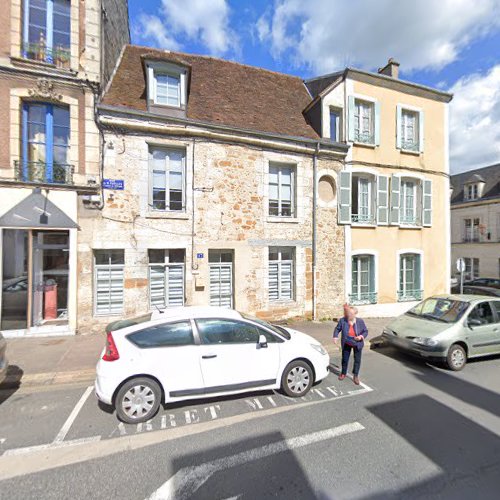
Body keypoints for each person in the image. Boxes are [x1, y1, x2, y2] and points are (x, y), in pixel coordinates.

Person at [333, 306, 368, 385]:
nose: (349, 315)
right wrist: (335, 336)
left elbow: (365, 331)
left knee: (357, 360)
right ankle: (343, 373)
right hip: (347, 342)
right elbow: (337, 328)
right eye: (349, 313)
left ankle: (355, 376)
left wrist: (361, 337)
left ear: (355, 314)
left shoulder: (360, 321)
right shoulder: (343, 320)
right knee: (345, 359)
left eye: (351, 313)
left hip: (357, 343)